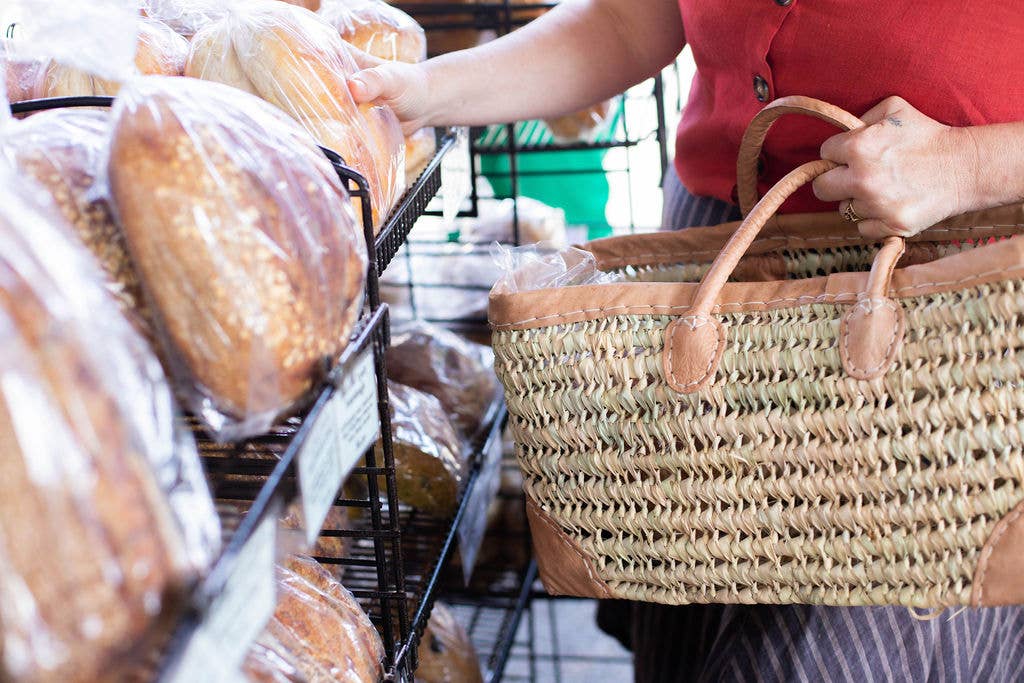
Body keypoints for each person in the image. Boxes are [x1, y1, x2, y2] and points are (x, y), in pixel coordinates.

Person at [349, 2, 1024, 680]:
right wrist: (428, 93)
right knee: (691, 599)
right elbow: (628, 22)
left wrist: (965, 166)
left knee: (825, 652)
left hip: (946, 305)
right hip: (715, 270)